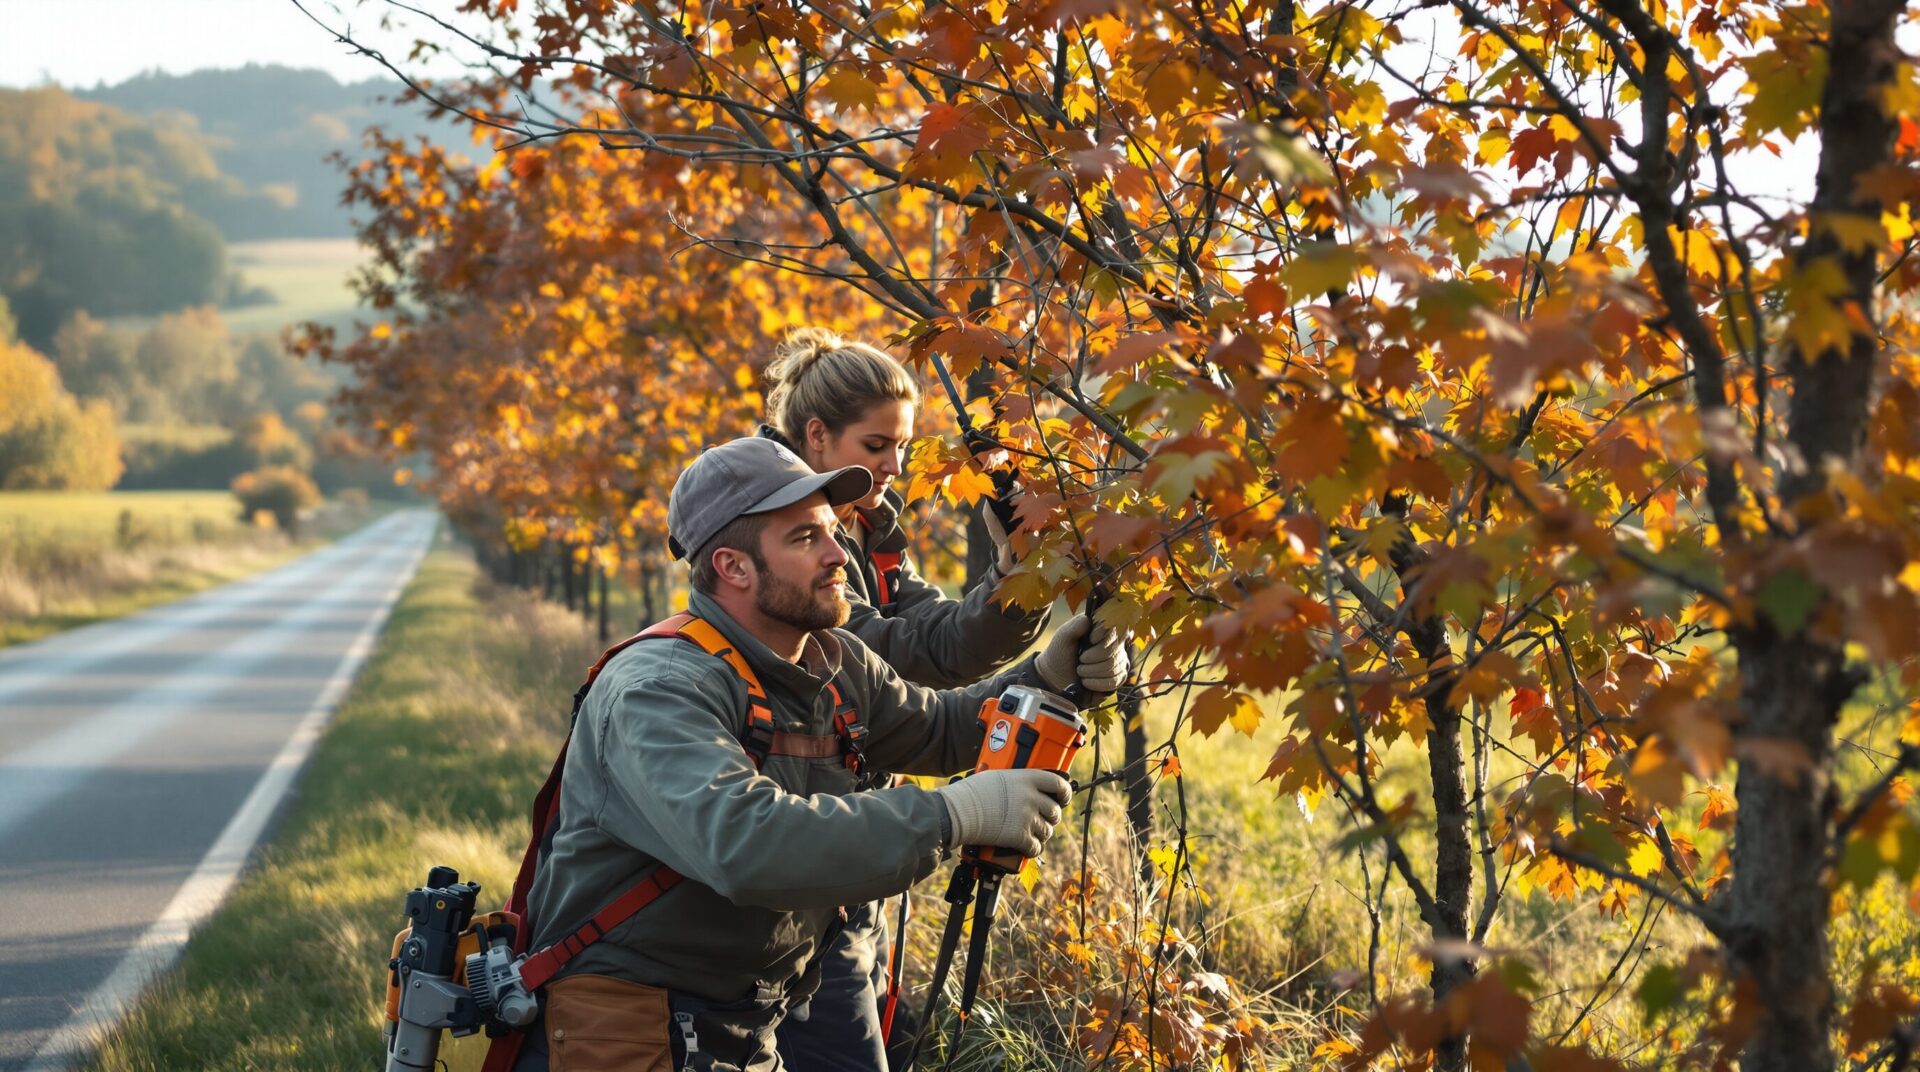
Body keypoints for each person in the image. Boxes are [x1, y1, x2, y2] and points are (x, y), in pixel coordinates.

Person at [512, 436, 1128, 1072]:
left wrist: (1045, 679)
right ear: (733, 567)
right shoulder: (658, 688)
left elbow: (939, 728)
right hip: (627, 1034)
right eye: (806, 538)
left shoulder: (829, 658)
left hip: (745, 1026)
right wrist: (951, 817)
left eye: (834, 530)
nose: (841, 555)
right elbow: (746, 844)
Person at [753, 328, 1090, 1071]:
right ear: (816, 434)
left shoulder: (871, 532)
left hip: (859, 842)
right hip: (805, 854)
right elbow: (892, 657)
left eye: (901, 449)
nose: (892, 467)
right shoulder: (778, 534)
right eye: (877, 446)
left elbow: (935, 641)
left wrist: (1015, 575)